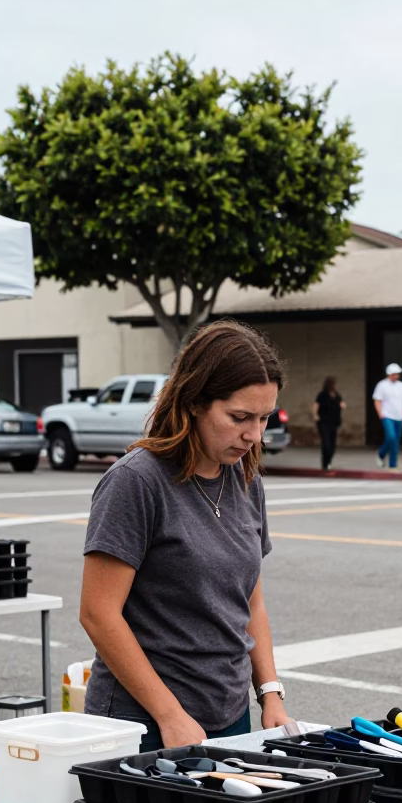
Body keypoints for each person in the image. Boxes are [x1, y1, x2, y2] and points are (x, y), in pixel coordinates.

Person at [80, 319, 291, 754]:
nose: (254, 435)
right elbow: (99, 614)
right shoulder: (136, 483)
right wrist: (169, 714)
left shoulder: (246, 480)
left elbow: (250, 599)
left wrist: (269, 691)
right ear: (194, 402)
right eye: (239, 417)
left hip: (230, 713)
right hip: (144, 721)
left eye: (264, 418)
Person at [373, 363, 402, 470]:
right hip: (387, 415)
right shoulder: (382, 385)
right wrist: (380, 413)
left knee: (396, 441)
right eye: (394, 374)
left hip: (399, 416)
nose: (396, 376)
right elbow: (377, 401)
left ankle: (393, 465)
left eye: (397, 374)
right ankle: (381, 454)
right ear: (389, 374)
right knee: (391, 437)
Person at [311, 376, 346, 471]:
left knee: (333, 444)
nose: (335, 386)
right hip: (323, 422)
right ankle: (324, 463)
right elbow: (316, 405)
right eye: (334, 384)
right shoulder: (322, 395)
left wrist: (342, 405)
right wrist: (315, 415)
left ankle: (328, 462)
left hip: (334, 423)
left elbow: (342, 404)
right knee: (326, 444)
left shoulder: (337, 395)